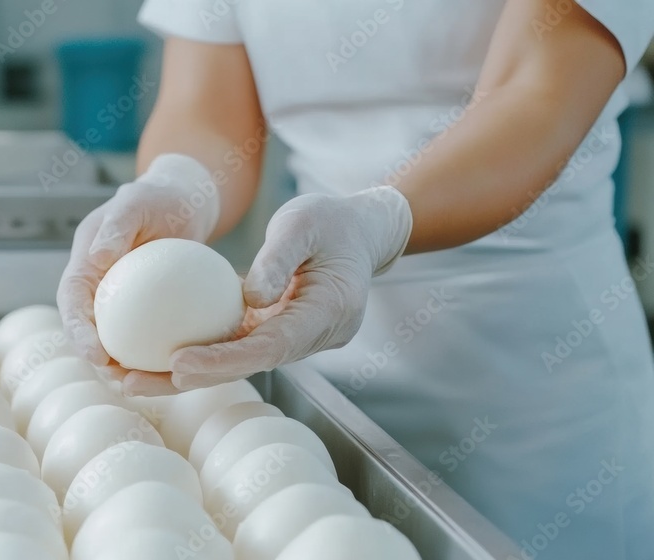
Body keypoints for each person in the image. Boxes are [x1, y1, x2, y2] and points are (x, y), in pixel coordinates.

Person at [56, 1, 654, 557]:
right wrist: (180, 187)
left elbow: (535, 97)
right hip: (322, 366)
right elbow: (208, 110)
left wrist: (378, 223)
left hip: (533, 384)